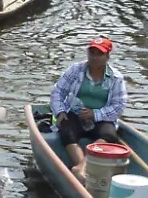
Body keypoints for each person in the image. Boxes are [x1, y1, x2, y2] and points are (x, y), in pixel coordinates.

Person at [49, 37, 127, 181]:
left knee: (109, 135)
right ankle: (81, 169)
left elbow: (119, 106)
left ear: (107, 57)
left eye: (99, 54)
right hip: (74, 114)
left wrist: (95, 114)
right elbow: (58, 91)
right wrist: (60, 111)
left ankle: (82, 167)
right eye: (92, 53)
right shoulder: (75, 69)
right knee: (66, 131)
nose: (95, 57)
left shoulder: (116, 78)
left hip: (101, 118)